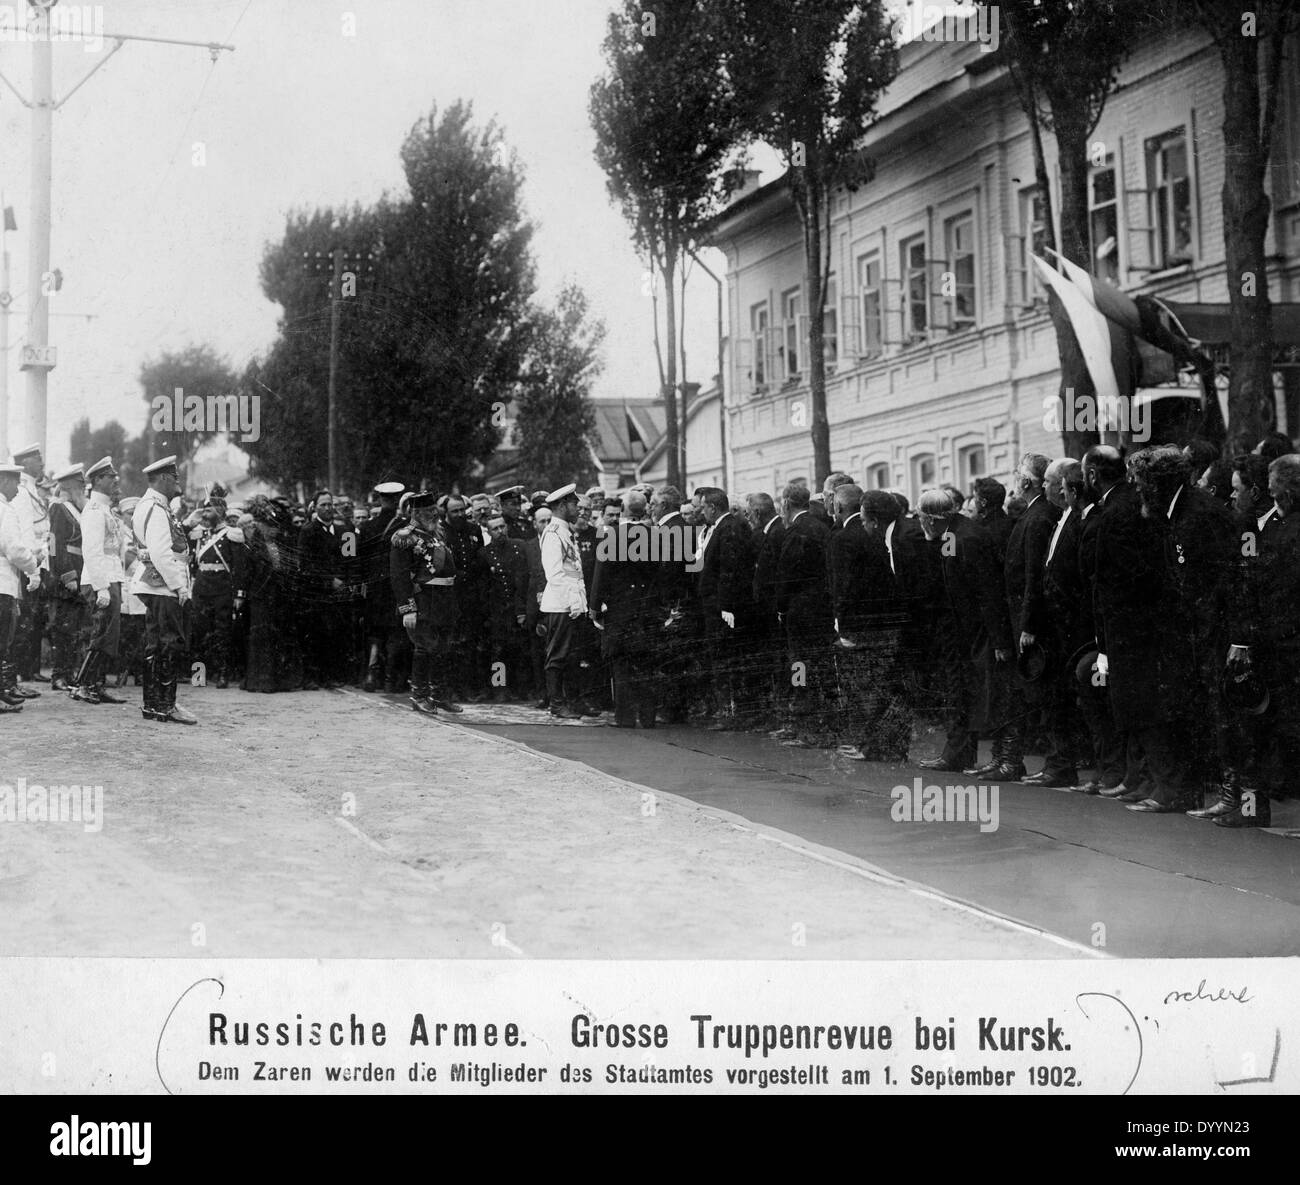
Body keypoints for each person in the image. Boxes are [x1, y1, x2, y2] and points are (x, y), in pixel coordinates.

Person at [131, 456, 196, 724]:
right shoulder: (156, 509)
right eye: (175, 477)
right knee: (169, 644)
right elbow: (160, 552)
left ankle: (153, 704)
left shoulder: (152, 505)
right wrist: (179, 586)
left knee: (156, 644)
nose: (178, 482)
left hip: (154, 583)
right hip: (163, 585)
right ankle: (165, 705)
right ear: (164, 479)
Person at [390, 492, 462, 716]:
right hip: (423, 600)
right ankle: (419, 695)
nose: (435, 515)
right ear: (416, 513)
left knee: (443, 648)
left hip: (444, 600)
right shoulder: (404, 537)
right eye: (429, 512)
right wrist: (408, 608)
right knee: (424, 648)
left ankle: (439, 695)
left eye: (435, 510)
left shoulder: (436, 534)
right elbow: (399, 576)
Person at [774, 481, 834, 746]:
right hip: (821, 608)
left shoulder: (796, 531)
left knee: (800, 666)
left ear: (786, 503)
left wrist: (780, 606)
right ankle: (819, 724)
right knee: (818, 666)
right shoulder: (821, 528)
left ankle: (806, 726)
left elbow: (786, 575)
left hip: (800, 611)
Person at [695, 486, 759, 730]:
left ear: (713, 507)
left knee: (725, 658)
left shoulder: (728, 528)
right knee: (723, 657)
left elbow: (729, 571)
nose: (701, 513)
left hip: (722, 607)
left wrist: (725, 605)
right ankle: (731, 711)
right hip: (717, 604)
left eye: (703, 508)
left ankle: (730, 713)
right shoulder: (723, 527)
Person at [71, 457, 128, 706]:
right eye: (110, 477)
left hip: (111, 575)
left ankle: (96, 684)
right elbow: (92, 551)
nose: (115, 480)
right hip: (99, 579)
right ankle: (83, 685)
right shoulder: (94, 510)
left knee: (109, 635)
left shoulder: (106, 510)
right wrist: (101, 586)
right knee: (100, 633)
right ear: (97, 481)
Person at [241, 496, 305, 693]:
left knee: (278, 638)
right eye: (268, 526)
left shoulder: (281, 546)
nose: (272, 530)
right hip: (260, 599)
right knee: (261, 638)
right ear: (261, 527)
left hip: (279, 598)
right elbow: (247, 575)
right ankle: (259, 680)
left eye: (275, 526)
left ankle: (278, 680)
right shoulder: (254, 548)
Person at [538, 484, 591, 719]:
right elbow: (555, 575)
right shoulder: (552, 534)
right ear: (561, 506)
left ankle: (574, 701)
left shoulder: (565, 531)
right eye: (573, 504)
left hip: (573, 603)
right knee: (558, 656)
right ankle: (557, 704)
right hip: (562, 605)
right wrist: (572, 603)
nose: (578, 508)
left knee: (573, 656)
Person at [471, 514, 530, 701]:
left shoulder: (519, 547)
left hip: (516, 607)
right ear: (488, 532)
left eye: (502, 527)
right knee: (498, 651)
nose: (500, 531)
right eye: (495, 529)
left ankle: (519, 689)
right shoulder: (484, 554)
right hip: (496, 610)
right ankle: (500, 687)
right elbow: (482, 586)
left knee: (518, 650)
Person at [190, 500, 248, 689]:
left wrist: (239, 593)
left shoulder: (232, 535)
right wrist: (191, 520)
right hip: (201, 588)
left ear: (221, 511)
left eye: (209, 510)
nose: (205, 513)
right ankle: (200, 675)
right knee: (200, 631)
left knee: (222, 631)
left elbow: (239, 567)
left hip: (222, 589)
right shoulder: (200, 534)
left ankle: (223, 674)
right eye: (204, 510)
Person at [9, 443, 50, 689]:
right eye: (38, 459)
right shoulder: (22, 492)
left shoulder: (30, 490)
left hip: (37, 561)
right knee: (22, 624)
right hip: (27, 565)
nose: (42, 463)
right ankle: (14, 678)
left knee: (30, 623)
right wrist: (31, 569)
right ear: (25, 463)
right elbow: (24, 532)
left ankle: (22, 674)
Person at [359, 482, 404, 692]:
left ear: (380, 499)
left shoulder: (367, 527)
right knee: (395, 630)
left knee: (376, 631)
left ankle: (371, 673)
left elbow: (357, 558)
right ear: (397, 500)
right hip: (396, 584)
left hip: (374, 585)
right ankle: (390, 679)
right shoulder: (403, 526)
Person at [0, 462, 38, 712]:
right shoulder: (5, 509)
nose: (18, 488)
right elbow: (13, 548)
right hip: (3, 582)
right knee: (2, 639)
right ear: (4, 481)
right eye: (16, 482)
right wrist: (33, 563)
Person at [46, 463, 87, 691]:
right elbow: (55, 545)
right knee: (63, 628)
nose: (84, 488)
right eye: (81, 484)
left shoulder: (75, 508)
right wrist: (67, 575)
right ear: (72, 485)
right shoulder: (59, 508)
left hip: (80, 572)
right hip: (66, 575)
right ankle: (59, 675)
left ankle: (69, 673)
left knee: (75, 628)